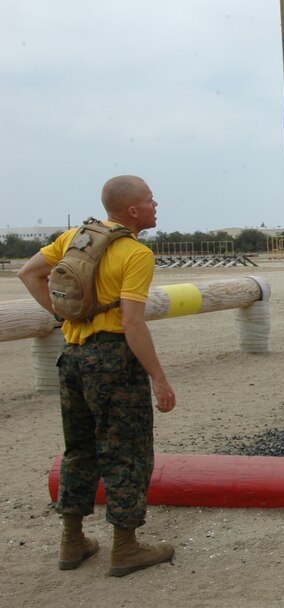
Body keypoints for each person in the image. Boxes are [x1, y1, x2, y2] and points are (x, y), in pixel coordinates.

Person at [17, 175, 177, 576]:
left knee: (79, 449)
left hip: (72, 357)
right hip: (113, 361)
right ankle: (125, 547)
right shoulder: (134, 253)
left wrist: (64, 316)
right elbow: (133, 323)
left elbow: (29, 274)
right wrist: (158, 377)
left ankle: (73, 542)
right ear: (133, 211)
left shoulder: (74, 236)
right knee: (127, 450)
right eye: (150, 200)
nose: (156, 205)